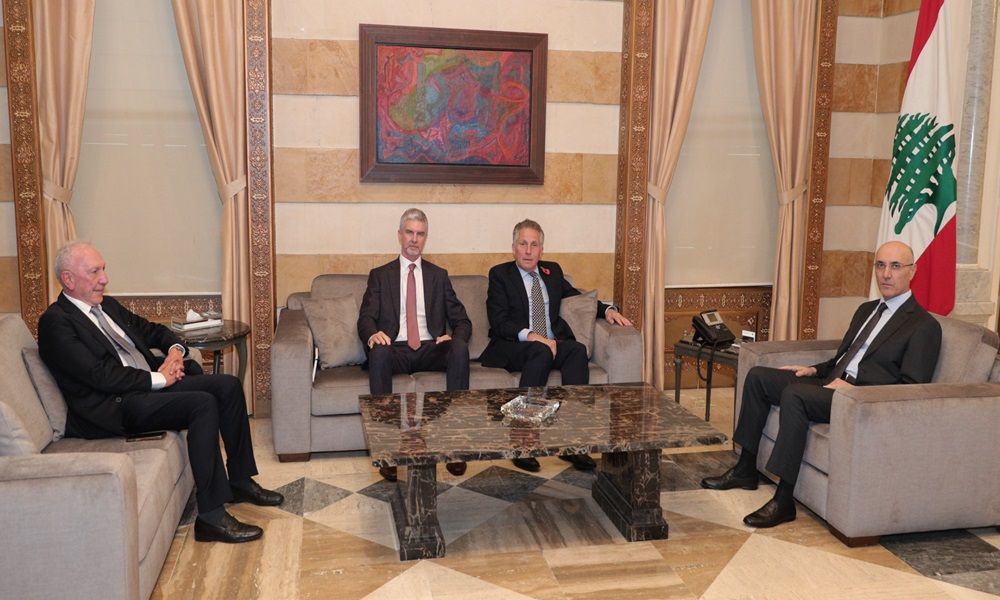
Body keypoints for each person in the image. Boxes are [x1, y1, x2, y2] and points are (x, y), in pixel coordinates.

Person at [37, 241, 283, 544]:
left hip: (142, 390)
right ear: (68, 279)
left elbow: (153, 330)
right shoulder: (56, 323)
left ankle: (240, 481)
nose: (104, 279)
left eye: (103, 269)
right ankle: (211, 517)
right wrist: (160, 379)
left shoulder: (107, 306)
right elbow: (99, 375)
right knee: (202, 404)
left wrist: (175, 352)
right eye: (94, 272)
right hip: (114, 407)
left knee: (228, 386)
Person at [701, 241, 941, 528]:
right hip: (831, 383)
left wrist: (855, 391)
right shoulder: (866, 310)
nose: (886, 274)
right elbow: (844, 358)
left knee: (795, 395)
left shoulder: (923, 326)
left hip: (859, 401)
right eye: (880, 265)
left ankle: (784, 500)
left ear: (912, 271)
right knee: (759, 377)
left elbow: (911, 389)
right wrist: (813, 369)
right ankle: (745, 469)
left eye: (895, 266)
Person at [480, 219, 633, 473]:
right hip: (513, 345)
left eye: (534, 245)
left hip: (549, 343)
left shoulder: (552, 272)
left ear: (541, 250)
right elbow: (499, 321)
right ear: (513, 248)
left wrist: (607, 310)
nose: (528, 250)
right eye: (523, 244)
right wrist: (533, 336)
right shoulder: (500, 275)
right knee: (540, 350)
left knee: (576, 350)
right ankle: (523, 443)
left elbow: (578, 298)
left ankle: (573, 443)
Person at [357, 208, 472, 482]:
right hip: (395, 349)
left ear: (425, 238)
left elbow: (463, 320)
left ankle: (455, 445)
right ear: (399, 235)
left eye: (420, 234)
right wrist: (373, 335)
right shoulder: (380, 275)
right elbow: (366, 318)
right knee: (379, 352)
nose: (414, 239)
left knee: (459, 348)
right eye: (409, 232)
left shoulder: (438, 275)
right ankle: (387, 450)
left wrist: (454, 337)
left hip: (429, 348)